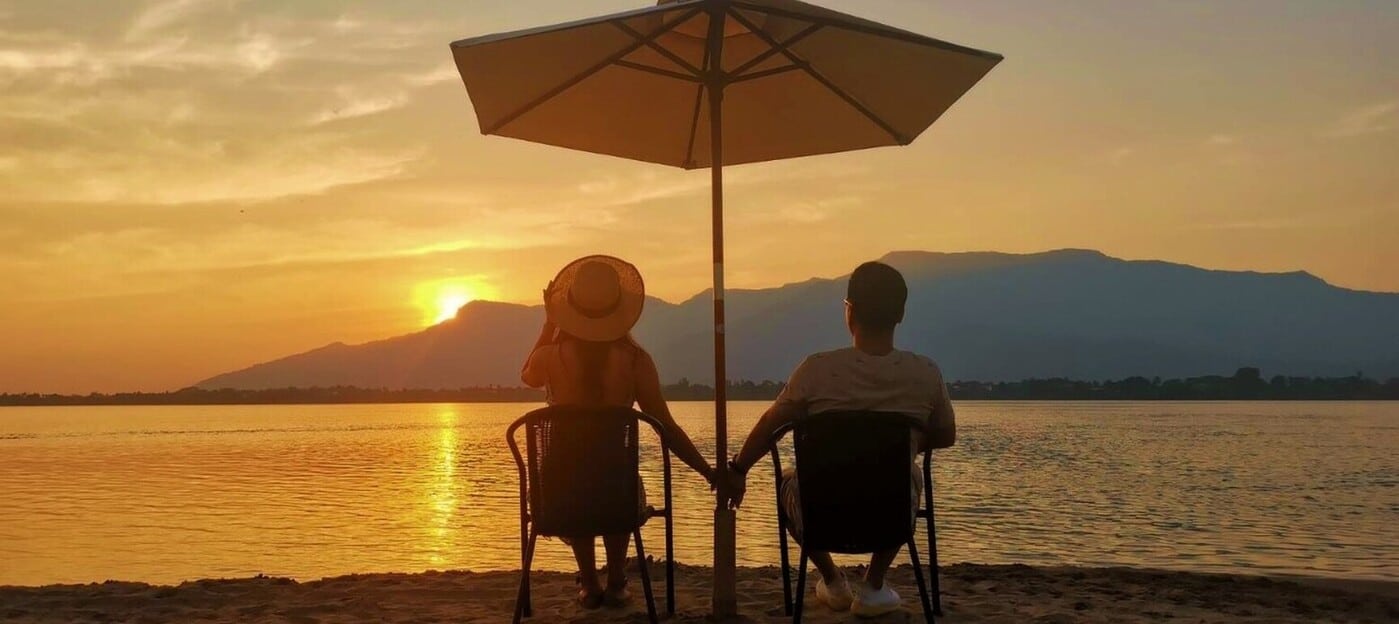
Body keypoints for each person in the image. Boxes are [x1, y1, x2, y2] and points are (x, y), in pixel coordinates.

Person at [723, 261, 956, 617]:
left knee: (788, 477)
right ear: (901, 314)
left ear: (851, 312)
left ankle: (832, 580)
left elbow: (770, 423)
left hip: (821, 512)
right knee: (909, 473)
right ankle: (874, 584)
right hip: (889, 512)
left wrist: (738, 469)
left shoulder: (816, 370)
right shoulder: (924, 374)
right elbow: (945, 434)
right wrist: (905, 446)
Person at [520, 255, 715, 610]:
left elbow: (527, 376)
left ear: (569, 310)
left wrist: (548, 325)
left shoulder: (548, 357)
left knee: (571, 474)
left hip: (555, 499)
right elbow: (666, 427)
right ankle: (615, 580)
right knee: (614, 477)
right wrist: (708, 472)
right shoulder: (635, 361)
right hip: (617, 498)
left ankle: (590, 581)